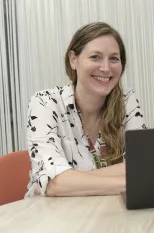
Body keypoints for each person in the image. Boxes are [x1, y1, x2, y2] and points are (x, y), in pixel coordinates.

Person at [26, 22, 146, 197]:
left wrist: (71, 179)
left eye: (114, 58)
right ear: (73, 60)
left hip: (110, 214)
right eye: (95, 57)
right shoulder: (45, 103)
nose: (106, 68)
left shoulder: (127, 103)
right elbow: (55, 185)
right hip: (51, 217)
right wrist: (133, 181)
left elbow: (143, 166)